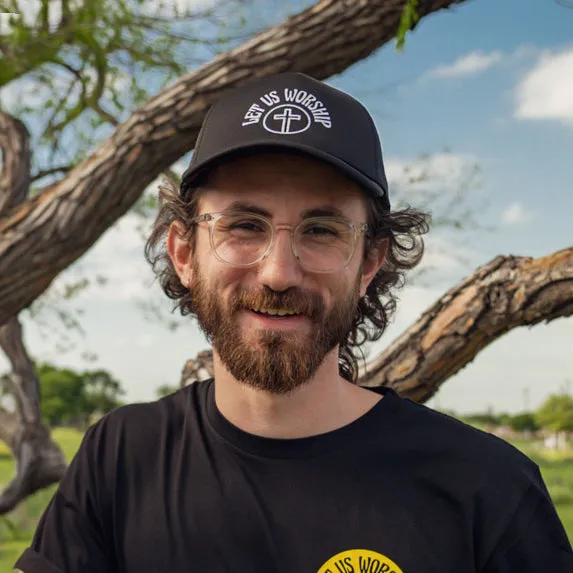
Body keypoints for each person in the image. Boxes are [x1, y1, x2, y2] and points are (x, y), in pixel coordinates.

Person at [14, 73, 573, 573]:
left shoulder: (489, 489)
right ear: (184, 254)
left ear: (371, 263)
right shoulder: (120, 457)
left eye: (322, 231)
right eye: (244, 225)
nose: (279, 273)